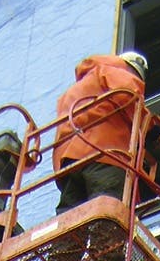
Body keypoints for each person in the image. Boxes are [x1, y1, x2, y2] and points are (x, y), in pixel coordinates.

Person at [52, 50, 151, 215]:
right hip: (104, 155)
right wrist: (152, 131)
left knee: (69, 221)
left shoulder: (74, 91)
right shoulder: (116, 71)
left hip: (69, 162)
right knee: (107, 214)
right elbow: (129, 96)